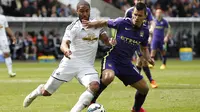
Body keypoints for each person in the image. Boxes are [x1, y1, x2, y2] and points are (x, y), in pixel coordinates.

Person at [23, 1, 113, 112]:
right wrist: (66, 51)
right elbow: (64, 43)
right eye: (81, 11)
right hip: (70, 63)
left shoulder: (97, 24)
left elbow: (105, 40)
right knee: (46, 92)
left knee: (94, 86)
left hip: (86, 66)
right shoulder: (73, 27)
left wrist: (111, 41)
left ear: (89, 11)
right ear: (77, 11)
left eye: (86, 11)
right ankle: (36, 92)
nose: (84, 14)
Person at [83, 3, 154, 112]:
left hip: (126, 64)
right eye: (135, 14)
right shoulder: (122, 22)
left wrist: (149, 58)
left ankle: (136, 109)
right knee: (108, 77)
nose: (136, 18)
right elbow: (105, 22)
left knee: (144, 88)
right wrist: (90, 24)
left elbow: (144, 48)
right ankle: (92, 101)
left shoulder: (144, 31)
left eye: (139, 15)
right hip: (112, 58)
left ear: (145, 17)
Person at [125, 0, 157, 88]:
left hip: (142, 37)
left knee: (139, 62)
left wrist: (151, 29)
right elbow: (124, 24)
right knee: (143, 60)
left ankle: (134, 81)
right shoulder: (129, 11)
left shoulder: (147, 11)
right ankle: (151, 80)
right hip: (133, 38)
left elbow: (152, 22)